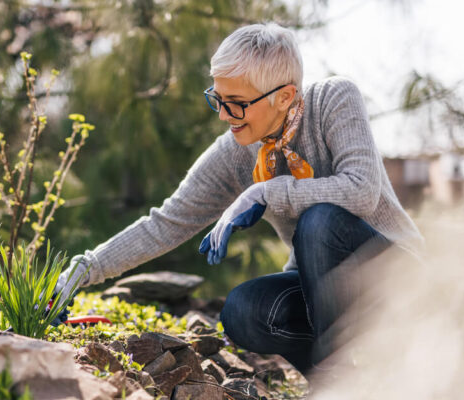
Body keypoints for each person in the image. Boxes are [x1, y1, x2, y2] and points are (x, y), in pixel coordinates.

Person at [54, 22, 423, 375]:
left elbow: (360, 190)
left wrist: (267, 191)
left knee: (319, 219)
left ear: (285, 96)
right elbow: (165, 223)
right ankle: (339, 385)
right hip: (324, 297)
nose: (225, 116)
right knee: (243, 311)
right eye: (217, 98)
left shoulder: (334, 99)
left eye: (237, 103)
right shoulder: (236, 151)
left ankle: (344, 373)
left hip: (398, 279)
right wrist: (83, 269)